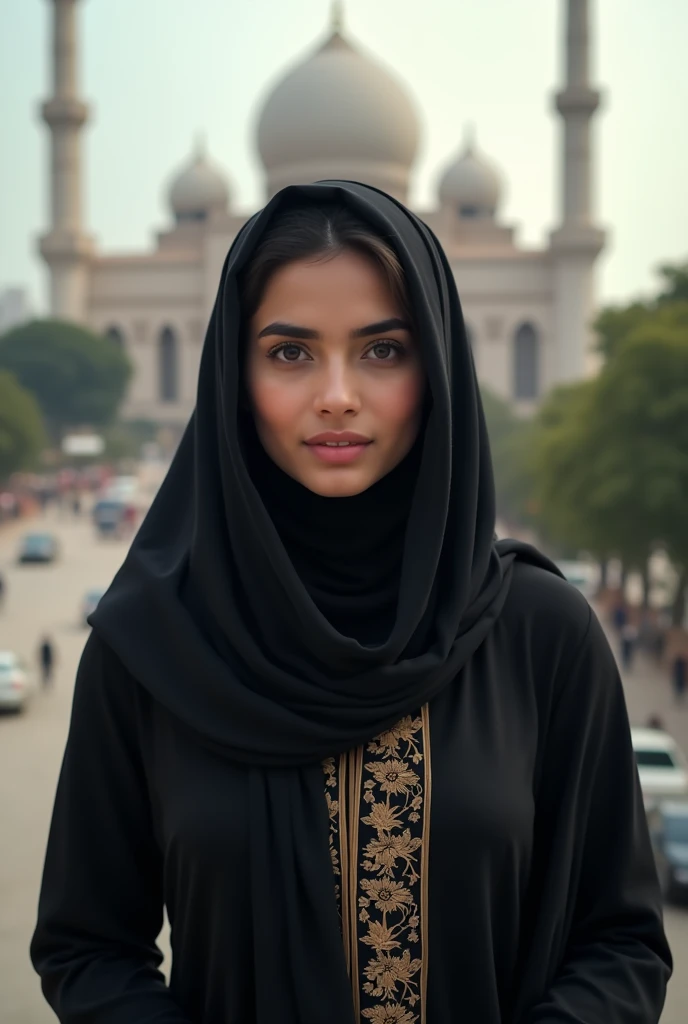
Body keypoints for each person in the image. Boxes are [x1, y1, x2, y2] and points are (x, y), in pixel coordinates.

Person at [30, 182, 671, 1024]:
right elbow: (88, 947)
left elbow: (620, 941)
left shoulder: (538, 635)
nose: (337, 393)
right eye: (290, 353)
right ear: (233, 371)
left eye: (383, 350)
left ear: (437, 362)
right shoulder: (154, 649)